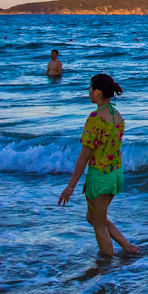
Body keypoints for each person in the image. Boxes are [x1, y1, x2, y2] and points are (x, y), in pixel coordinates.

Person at [58, 74, 140, 257]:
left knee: (99, 224)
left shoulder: (95, 118)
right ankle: (127, 247)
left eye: (89, 89)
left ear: (97, 92)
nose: (88, 93)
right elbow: (110, 150)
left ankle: (107, 266)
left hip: (100, 177)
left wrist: (71, 186)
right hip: (115, 175)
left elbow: (84, 155)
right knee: (94, 218)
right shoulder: (117, 116)